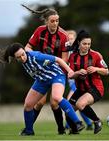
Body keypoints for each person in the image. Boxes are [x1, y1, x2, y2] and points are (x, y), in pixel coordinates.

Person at [0, 42, 85, 136]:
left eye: (23, 54)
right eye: (18, 57)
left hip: (56, 76)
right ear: (15, 57)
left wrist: (70, 71)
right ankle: (29, 131)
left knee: (56, 97)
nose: (22, 58)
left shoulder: (36, 56)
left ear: (25, 51)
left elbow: (58, 59)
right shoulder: (23, 60)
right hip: (42, 81)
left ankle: (77, 123)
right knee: (28, 104)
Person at [21, 5, 69, 134]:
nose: (55, 23)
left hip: (56, 72)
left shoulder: (64, 36)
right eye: (52, 21)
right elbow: (27, 48)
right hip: (41, 72)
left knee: (54, 102)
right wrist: (37, 58)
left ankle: (61, 129)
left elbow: (65, 59)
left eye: (57, 20)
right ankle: (28, 128)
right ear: (46, 21)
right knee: (39, 103)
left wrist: (52, 64)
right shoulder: (39, 31)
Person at [67, 30, 109, 134]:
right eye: (84, 43)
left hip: (95, 88)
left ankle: (97, 121)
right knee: (68, 110)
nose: (87, 46)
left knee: (80, 104)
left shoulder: (96, 55)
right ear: (79, 43)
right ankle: (74, 131)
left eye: (89, 44)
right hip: (81, 89)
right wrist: (77, 72)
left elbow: (106, 71)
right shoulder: (73, 57)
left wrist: (96, 69)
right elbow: (70, 75)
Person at [65, 30, 93, 131]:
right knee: (78, 104)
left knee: (70, 103)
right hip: (72, 80)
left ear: (76, 40)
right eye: (67, 39)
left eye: (71, 38)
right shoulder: (66, 51)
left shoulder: (79, 51)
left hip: (77, 82)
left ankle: (69, 125)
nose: (69, 41)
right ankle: (89, 124)